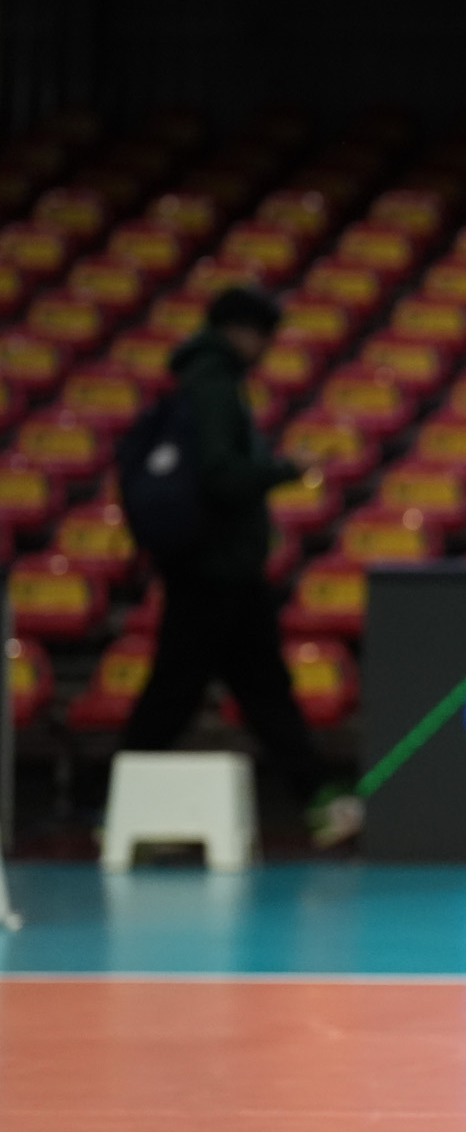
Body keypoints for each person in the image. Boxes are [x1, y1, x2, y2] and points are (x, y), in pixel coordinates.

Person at [118, 285, 363, 848]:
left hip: (222, 569)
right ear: (242, 331)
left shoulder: (203, 381)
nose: (267, 348)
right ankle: (114, 805)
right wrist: (285, 469)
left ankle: (318, 801)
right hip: (212, 569)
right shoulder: (213, 387)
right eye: (264, 335)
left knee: (259, 687)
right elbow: (221, 477)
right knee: (178, 692)